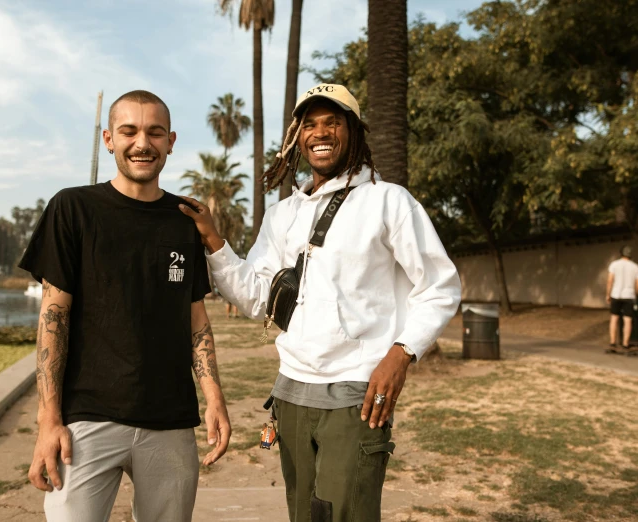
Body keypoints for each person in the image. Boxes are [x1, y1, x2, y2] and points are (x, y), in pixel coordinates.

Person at [179, 83, 461, 522]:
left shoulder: (388, 201)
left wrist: (402, 353)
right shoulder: (283, 215)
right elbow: (257, 298)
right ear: (297, 137)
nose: (321, 132)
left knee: (346, 514)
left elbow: (440, 286)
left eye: (333, 121)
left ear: (353, 130)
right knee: (304, 514)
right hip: (290, 392)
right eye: (310, 124)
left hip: (356, 392)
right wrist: (214, 239)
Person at [18, 90, 230, 522]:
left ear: (170, 141)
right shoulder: (72, 208)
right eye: (129, 131)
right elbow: (53, 316)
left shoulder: (185, 219)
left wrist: (214, 397)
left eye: (154, 132)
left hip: (170, 420)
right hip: (86, 420)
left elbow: (195, 320)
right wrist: (48, 420)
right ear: (108, 139)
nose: (142, 143)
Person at [607, 245, 638, 351]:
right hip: (629, 296)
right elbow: (637, 284)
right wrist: (636, 295)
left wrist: (608, 294)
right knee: (628, 320)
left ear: (621, 253)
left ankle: (612, 343)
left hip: (616, 294)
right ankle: (625, 344)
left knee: (614, 318)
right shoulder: (635, 267)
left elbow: (610, 280)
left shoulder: (614, 264)